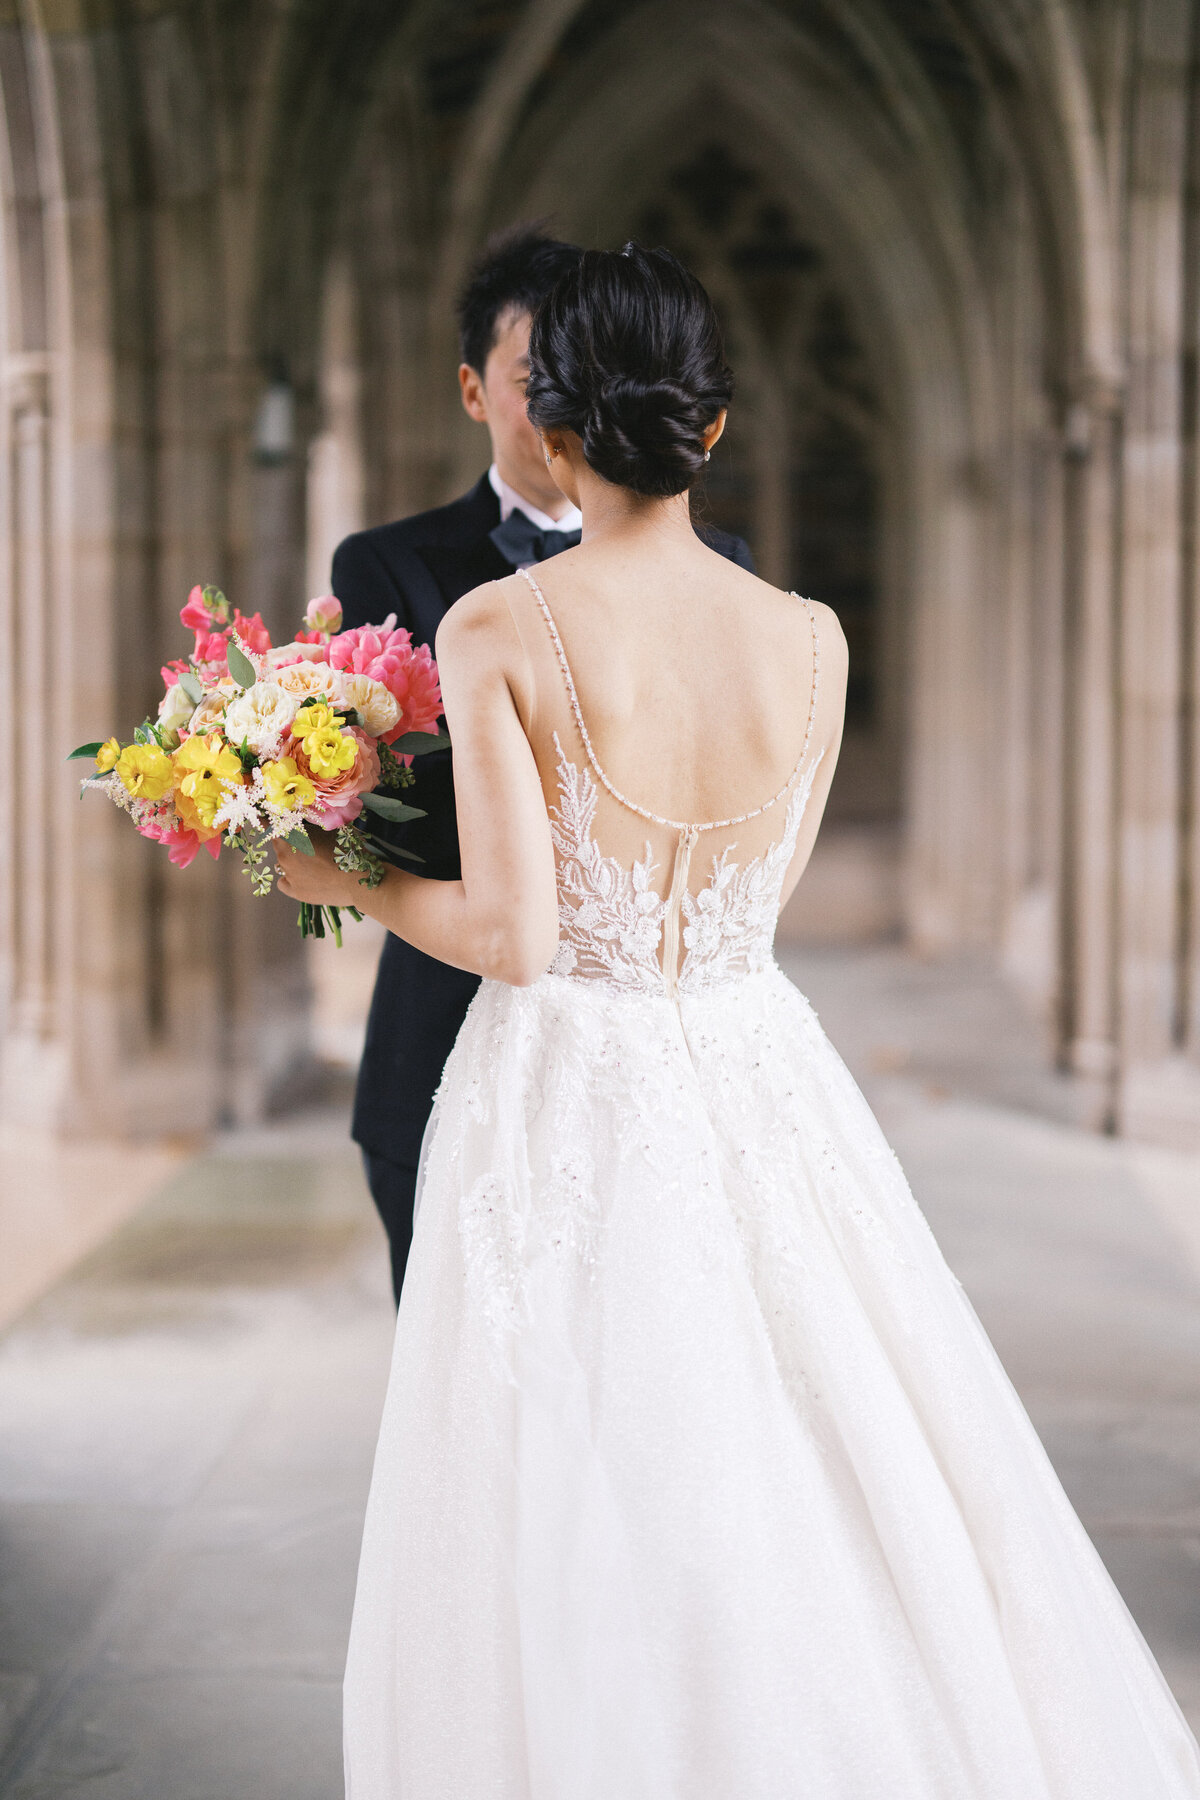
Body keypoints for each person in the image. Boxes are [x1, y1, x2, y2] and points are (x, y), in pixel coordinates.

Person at [278, 245, 1200, 1798]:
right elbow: (745, 907)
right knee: (811, 1450)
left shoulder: (504, 628)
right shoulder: (818, 638)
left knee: (565, 1485)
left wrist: (332, 874)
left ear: (551, 431)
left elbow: (514, 935)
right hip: (757, 1068)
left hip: (564, 1084)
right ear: (712, 432)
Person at [331, 225, 754, 1302]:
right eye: (540, 379)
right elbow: (397, 809)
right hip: (440, 1034)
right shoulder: (389, 565)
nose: (566, 404)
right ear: (478, 392)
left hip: (636, 1061)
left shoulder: (731, 577)